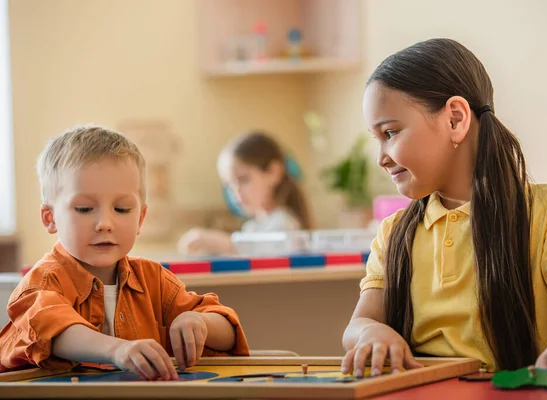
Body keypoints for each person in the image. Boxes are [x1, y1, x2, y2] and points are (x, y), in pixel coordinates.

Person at [341, 38, 547, 384]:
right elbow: (357, 325)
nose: (381, 157)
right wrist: (370, 334)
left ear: (456, 119)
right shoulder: (393, 233)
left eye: (390, 132)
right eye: (377, 139)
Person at [0, 125, 249, 380]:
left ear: (140, 218)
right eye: (85, 209)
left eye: (121, 209)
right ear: (50, 218)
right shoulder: (41, 284)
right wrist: (118, 350)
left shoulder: (155, 280)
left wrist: (198, 321)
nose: (105, 223)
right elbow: (54, 330)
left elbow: (228, 331)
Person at [178, 131, 313, 255]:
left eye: (243, 179)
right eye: (229, 184)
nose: (236, 191)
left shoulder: (285, 223)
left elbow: (275, 249)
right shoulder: (252, 227)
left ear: (273, 172)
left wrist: (227, 245)